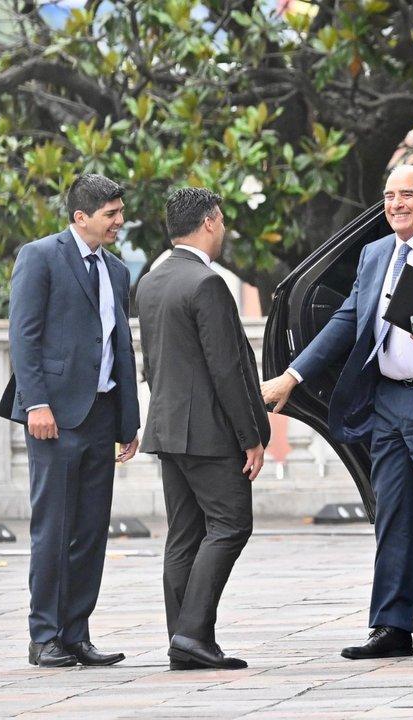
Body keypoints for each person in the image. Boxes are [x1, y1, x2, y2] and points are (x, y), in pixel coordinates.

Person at [261, 165, 413, 659]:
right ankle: (392, 628)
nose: (396, 204)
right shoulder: (375, 253)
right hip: (388, 401)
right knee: (392, 513)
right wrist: (293, 376)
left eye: (407, 195)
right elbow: (346, 319)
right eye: (389, 195)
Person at [0, 173, 141, 667]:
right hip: (55, 416)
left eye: (119, 212)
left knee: (91, 529)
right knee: (54, 528)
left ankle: (77, 633)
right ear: (81, 217)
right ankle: (44, 637)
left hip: (102, 414)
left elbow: (120, 347)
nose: (119, 221)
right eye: (111, 214)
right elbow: (25, 337)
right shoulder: (40, 256)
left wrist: (128, 420)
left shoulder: (118, 272)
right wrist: (35, 403)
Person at [135, 188, 270, 671]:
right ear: (211, 221)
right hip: (210, 433)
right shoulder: (206, 283)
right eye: (224, 221)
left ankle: (185, 642)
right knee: (232, 526)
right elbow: (226, 369)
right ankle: (192, 635)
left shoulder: (151, 281)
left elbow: (154, 363)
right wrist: (251, 436)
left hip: (168, 429)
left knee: (185, 536)